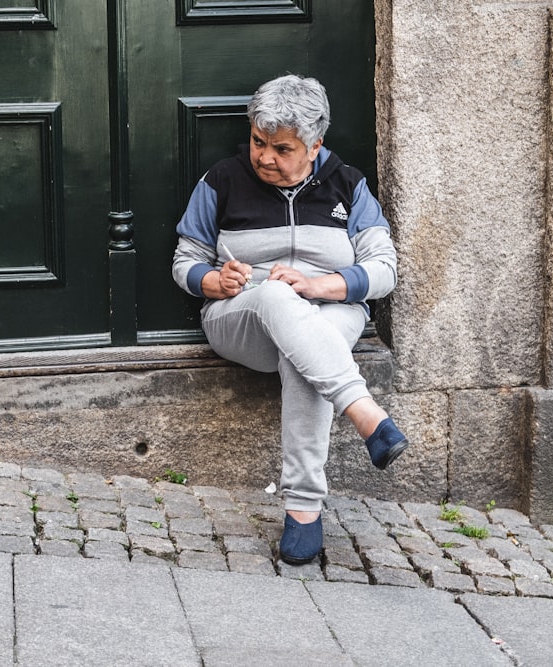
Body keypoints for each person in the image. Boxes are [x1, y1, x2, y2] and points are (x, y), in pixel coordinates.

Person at [171, 74, 408, 565]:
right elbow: (185, 257)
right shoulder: (222, 179)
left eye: (282, 148)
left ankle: (303, 510)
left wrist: (320, 284)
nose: (264, 157)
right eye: (259, 141)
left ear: (315, 144)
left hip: (330, 314)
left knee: (309, 349)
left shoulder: (349, 184)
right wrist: (211, 281)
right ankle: (365, 414)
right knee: (278, 296)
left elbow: (385, 270)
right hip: (244, 317)